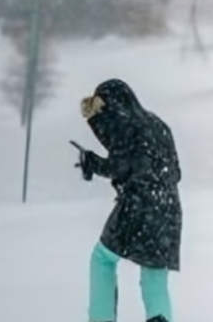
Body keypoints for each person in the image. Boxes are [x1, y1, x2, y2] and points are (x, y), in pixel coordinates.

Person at [74, 78, 182, 322]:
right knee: (154, 275)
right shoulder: (157, 124)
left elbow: (125, 166)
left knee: (102, 259)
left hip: (138, 206)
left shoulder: (126, 125)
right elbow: (175, 172)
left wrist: (94, 163)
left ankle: (102, 317)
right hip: (168, 207)